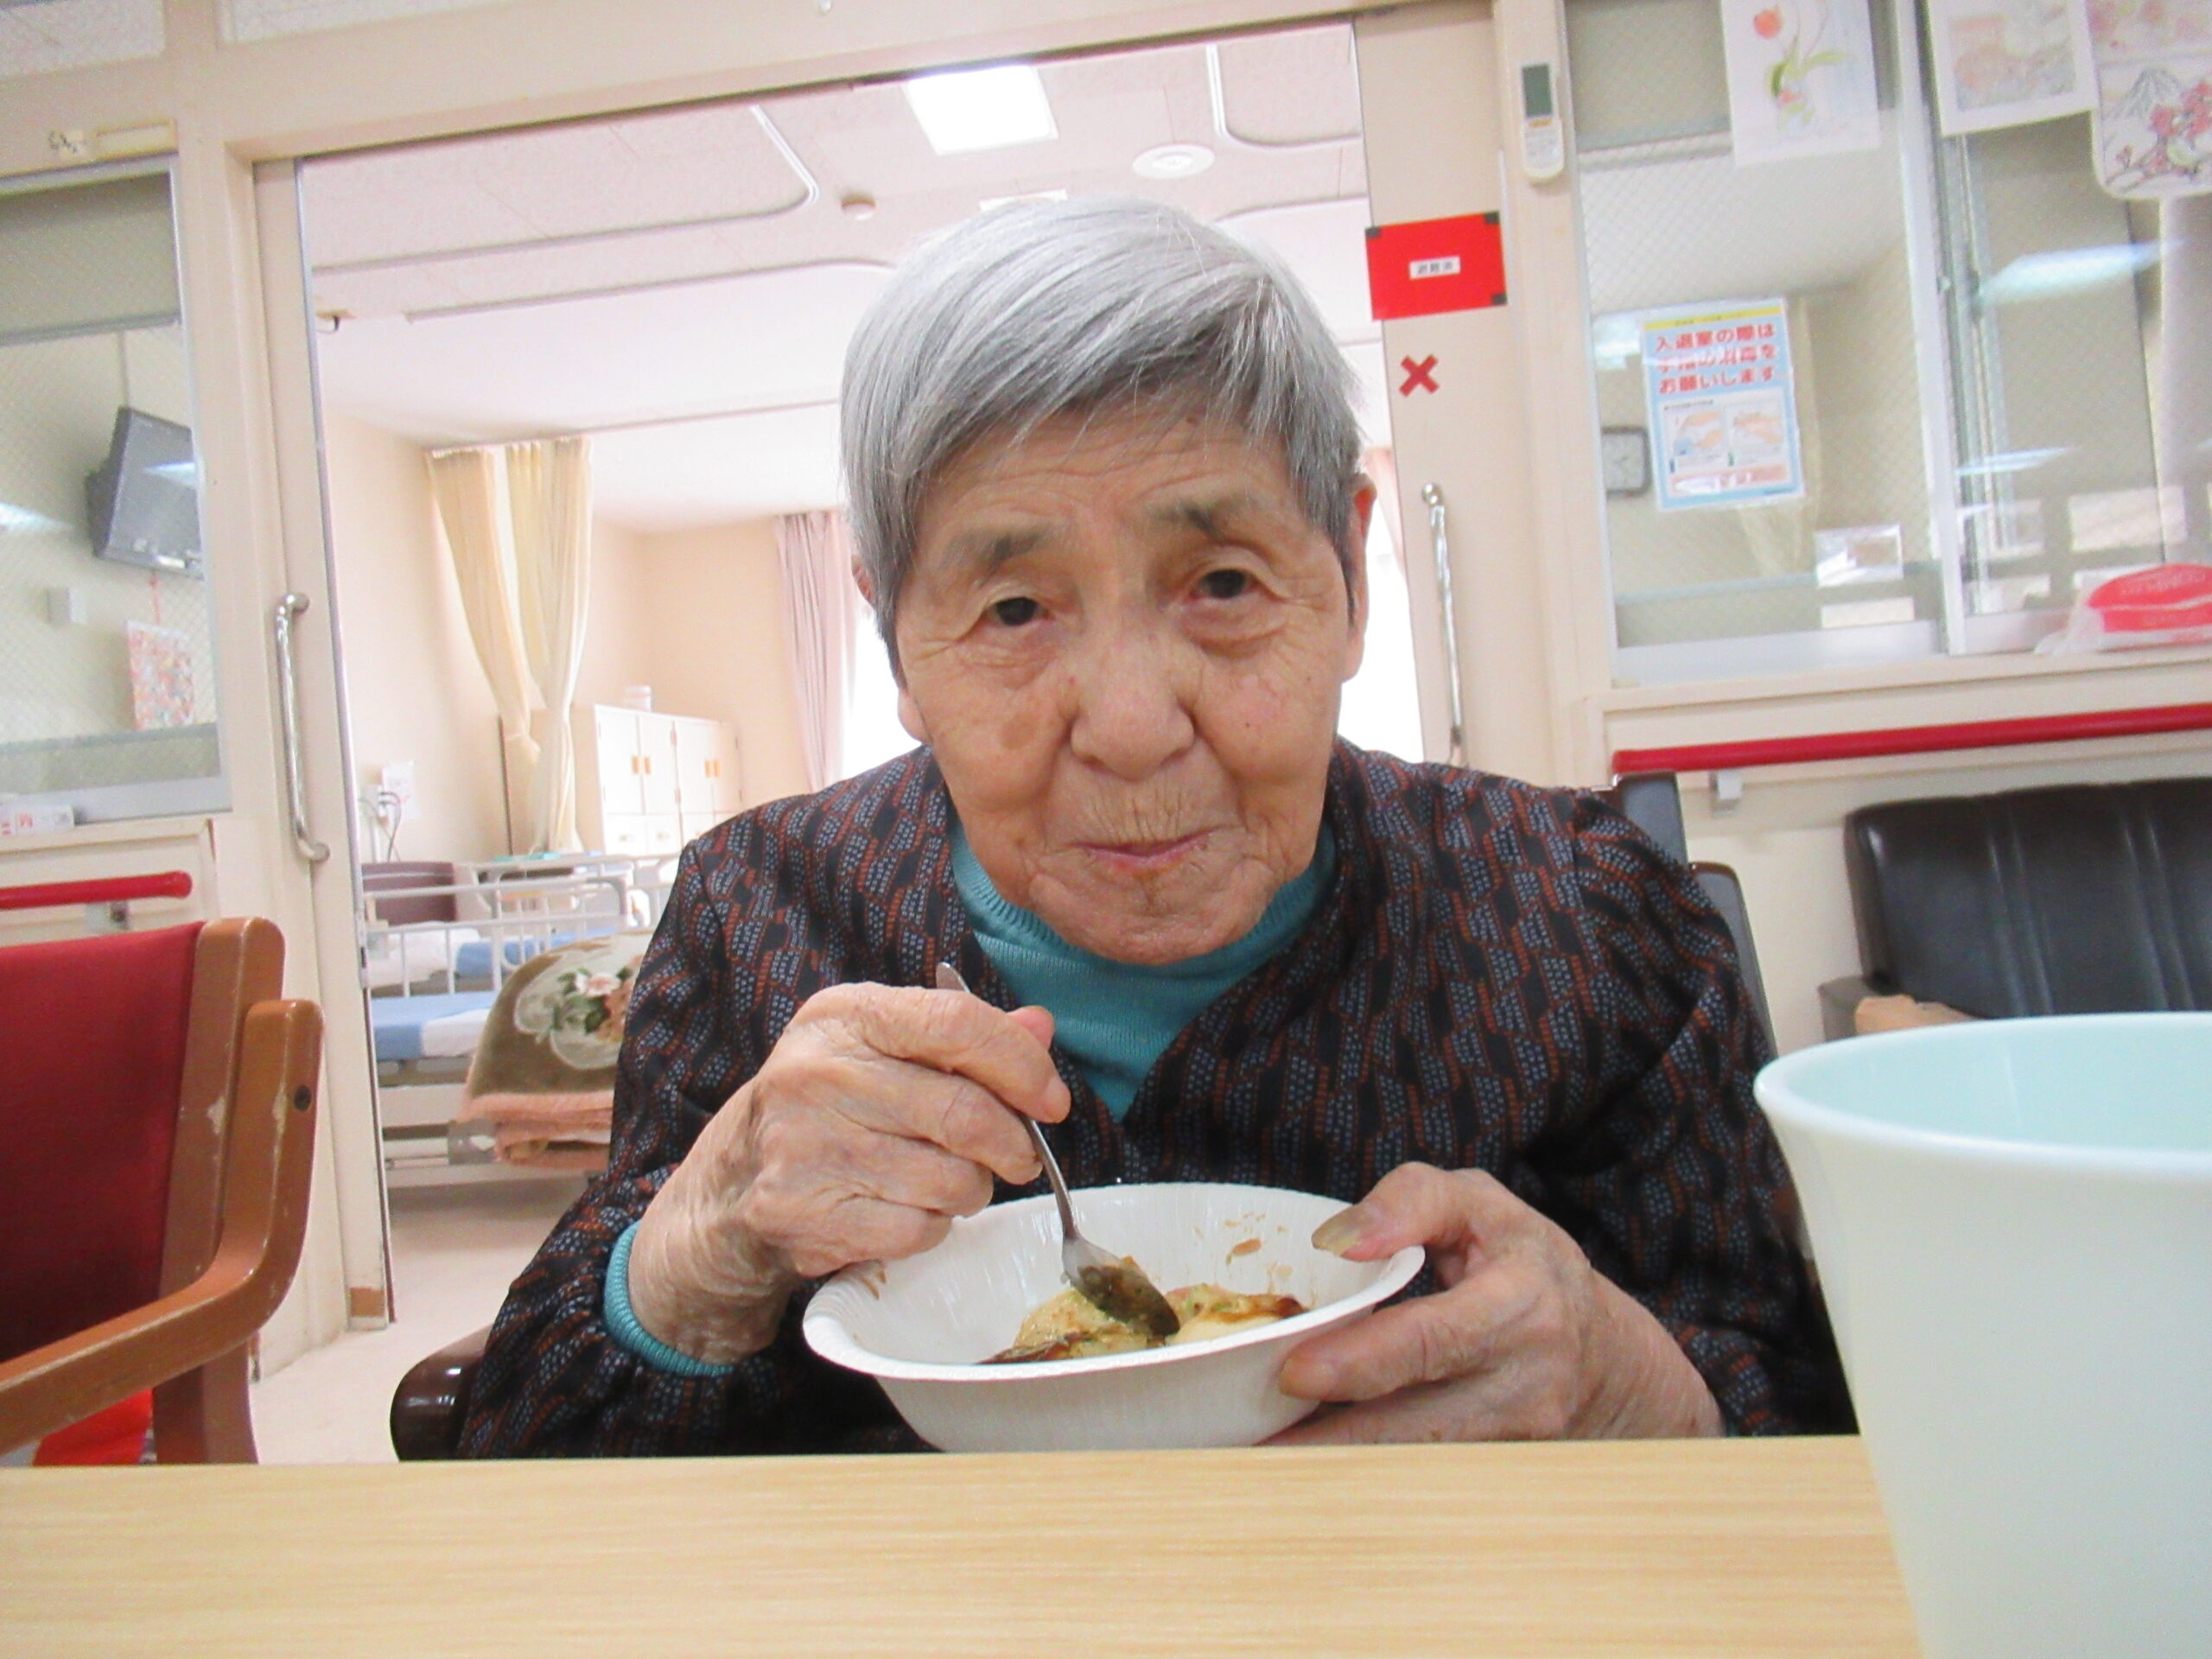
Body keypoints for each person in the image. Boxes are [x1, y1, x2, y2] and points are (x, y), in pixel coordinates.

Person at [460, 197, 1848, 1456]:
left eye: (1224, 584)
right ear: (894, 643)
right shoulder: (760, 914)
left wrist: (1629, 1384)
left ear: (1350, 576)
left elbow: (1817, 1416)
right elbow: (514, 1470)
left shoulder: (1586, 916)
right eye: (1014, 610)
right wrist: (701, 1245)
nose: (1130, 725)